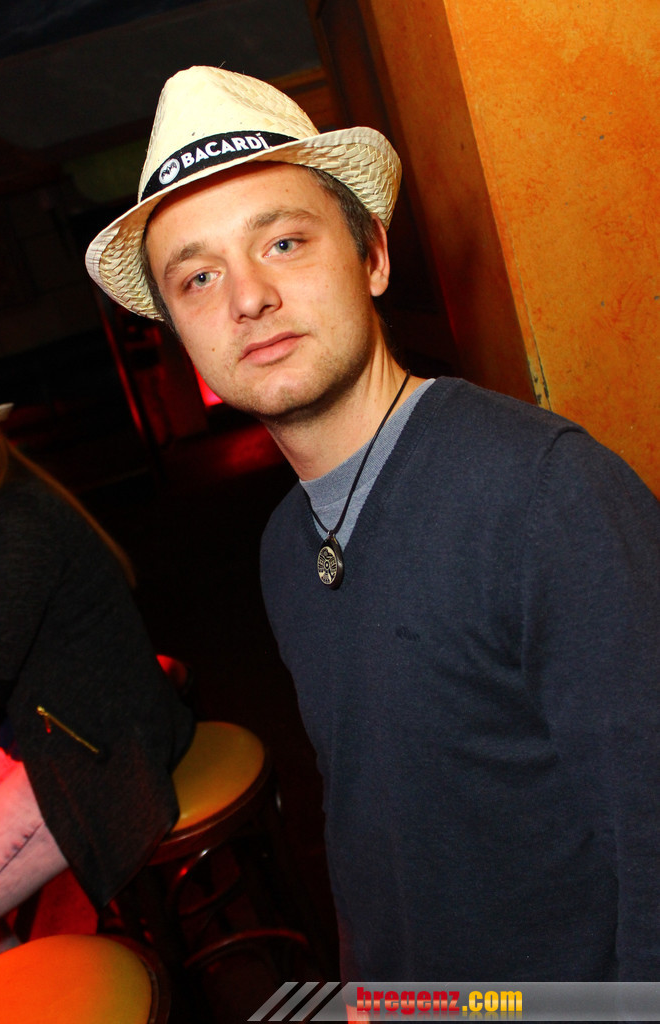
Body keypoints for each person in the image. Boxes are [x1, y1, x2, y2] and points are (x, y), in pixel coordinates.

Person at [85, 65, 660, 989]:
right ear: (181, 332)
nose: (246, 298)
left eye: (282, 242)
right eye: (198, 277)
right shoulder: (284, 545)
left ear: (373, 258)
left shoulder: (545, 495)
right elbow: (371, 819)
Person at [0, 374, 194, 951]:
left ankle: (44, 979)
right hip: (68, 728)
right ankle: (16, 963)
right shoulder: (6, 503)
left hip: (99, 757)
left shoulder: (17, 524)